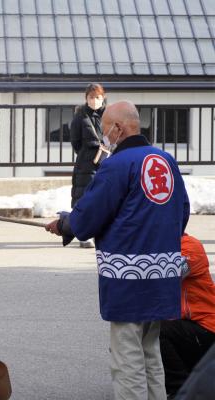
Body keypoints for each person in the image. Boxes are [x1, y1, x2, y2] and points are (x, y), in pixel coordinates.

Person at [46, 101, 190, 400]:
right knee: (151, 353)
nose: (104, 135)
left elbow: (87, 218)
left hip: (128, 278)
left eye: (105, 129)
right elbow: (183, 213)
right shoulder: (166, 161)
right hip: (163, 274)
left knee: (127, 360)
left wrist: (65, 224)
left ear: (118, 128)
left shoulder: (117, 165)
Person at [159, 233, 215, 397]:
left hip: (206, 328)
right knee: (134, 330)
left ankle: (180, 389)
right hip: (187, 326)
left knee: (159, 330)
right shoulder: (158, 244)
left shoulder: (190, 246)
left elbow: (167, 277)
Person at [69, 83, 106, 248]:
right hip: (86, 163)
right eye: (91, 97)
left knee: (103, 198)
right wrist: (87, 153)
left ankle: (100, 232)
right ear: (86, 98)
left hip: (106, 161)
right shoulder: (80, 115)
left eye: (97, 97)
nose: (95, 100)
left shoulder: (109, 114)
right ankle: (83, 234)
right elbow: (75, 141)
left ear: (103, 98)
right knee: (83, 198)